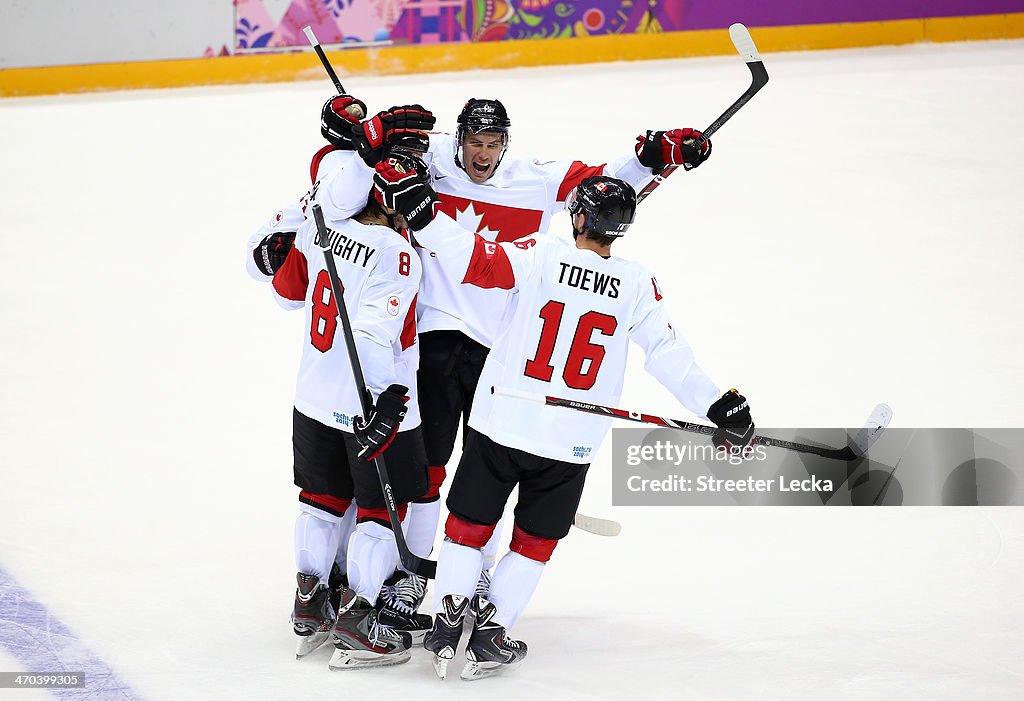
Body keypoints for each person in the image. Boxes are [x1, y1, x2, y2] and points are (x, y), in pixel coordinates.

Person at [314, 98, 714, 596]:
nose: (483, 154)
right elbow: (348, 175)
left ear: (506, 144)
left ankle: (472, 578)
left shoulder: (535, 179)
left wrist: (656, 155)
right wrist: (359, 132)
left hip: (499, 347)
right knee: (425, 470)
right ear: (457, 140)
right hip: (434, 336)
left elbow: (603, 189)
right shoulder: (431, 158)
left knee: (485, 471)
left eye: (493, 144)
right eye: (474, 143)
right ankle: (399, 575)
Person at [371, 165, 754, 680]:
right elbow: (666, 351)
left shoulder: (541, 254)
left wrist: (425, 216)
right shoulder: (636, 284)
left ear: (578, 217)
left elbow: (477, 259)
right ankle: (491, 631)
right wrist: (716, 403)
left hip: (500, 421)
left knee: (465, 530)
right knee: (534, 542)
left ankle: (446, 623)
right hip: (568, 441)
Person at [251, 151, 440, 670]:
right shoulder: (397, 253)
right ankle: (359, 620)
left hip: (312, 397)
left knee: (320, 501)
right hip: (368, 405)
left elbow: (286, 294)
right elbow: (377, 334)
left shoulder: (320, 226)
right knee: (383, 511)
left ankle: (310, 603)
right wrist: (385, 402)